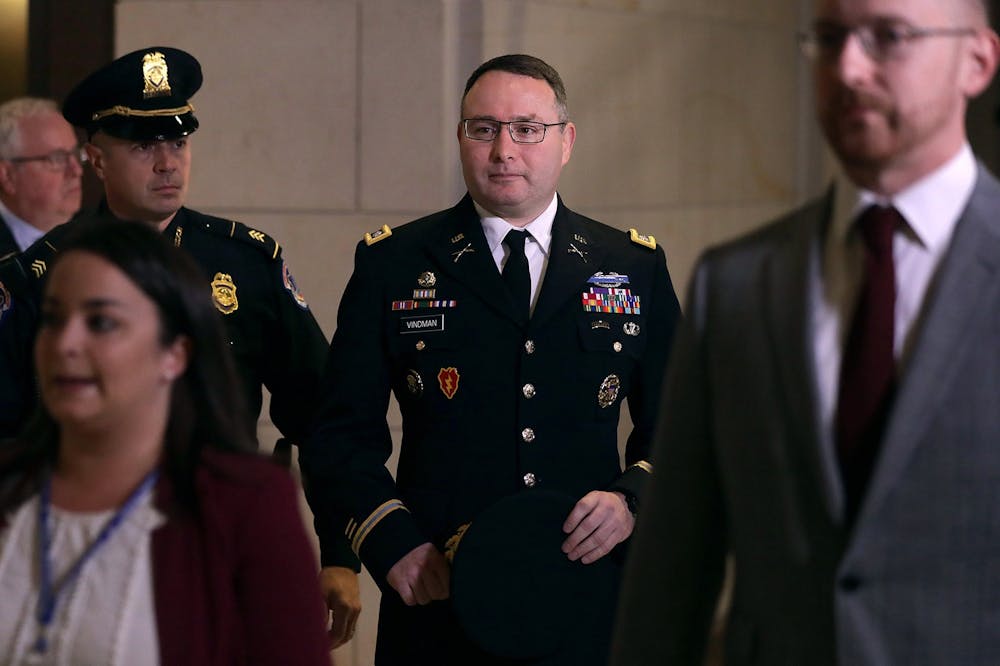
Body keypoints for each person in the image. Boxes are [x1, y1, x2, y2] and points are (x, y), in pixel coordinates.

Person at [611, 0, 1000, 663]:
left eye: (888, 36)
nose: (847, 66)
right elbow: (672, 574)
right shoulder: (733, 286)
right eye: (829, 37)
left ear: (977, 60)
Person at [300, 53, 681, 665]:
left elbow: (684, 427)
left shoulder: (633, 265)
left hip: (586, 593)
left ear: (566, 142)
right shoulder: (394, 264)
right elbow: (339, 436)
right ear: (461, 139)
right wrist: (391, 543)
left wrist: (631, 500)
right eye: (484, 129)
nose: (504, 150)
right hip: (438, 596)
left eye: (527, 129)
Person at [0, 46, 361, 645]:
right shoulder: (42, 277)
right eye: (143, 146)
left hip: (219, 531)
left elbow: (322, 412)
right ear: (95, 158)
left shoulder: (244, 263)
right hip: (76, 536)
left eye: (178, 142)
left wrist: (339, 552)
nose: (167, 162)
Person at [0, 220, 330, 664]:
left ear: (175, 353)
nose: (66, 344)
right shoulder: (10, 485)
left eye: (101, 321)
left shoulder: (244, 505)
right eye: (54, 319)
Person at [0, 97, 83, 258]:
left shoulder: (98, 234)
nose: (76, 171)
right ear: (7, 176)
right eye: (57, 159)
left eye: (75, 154)